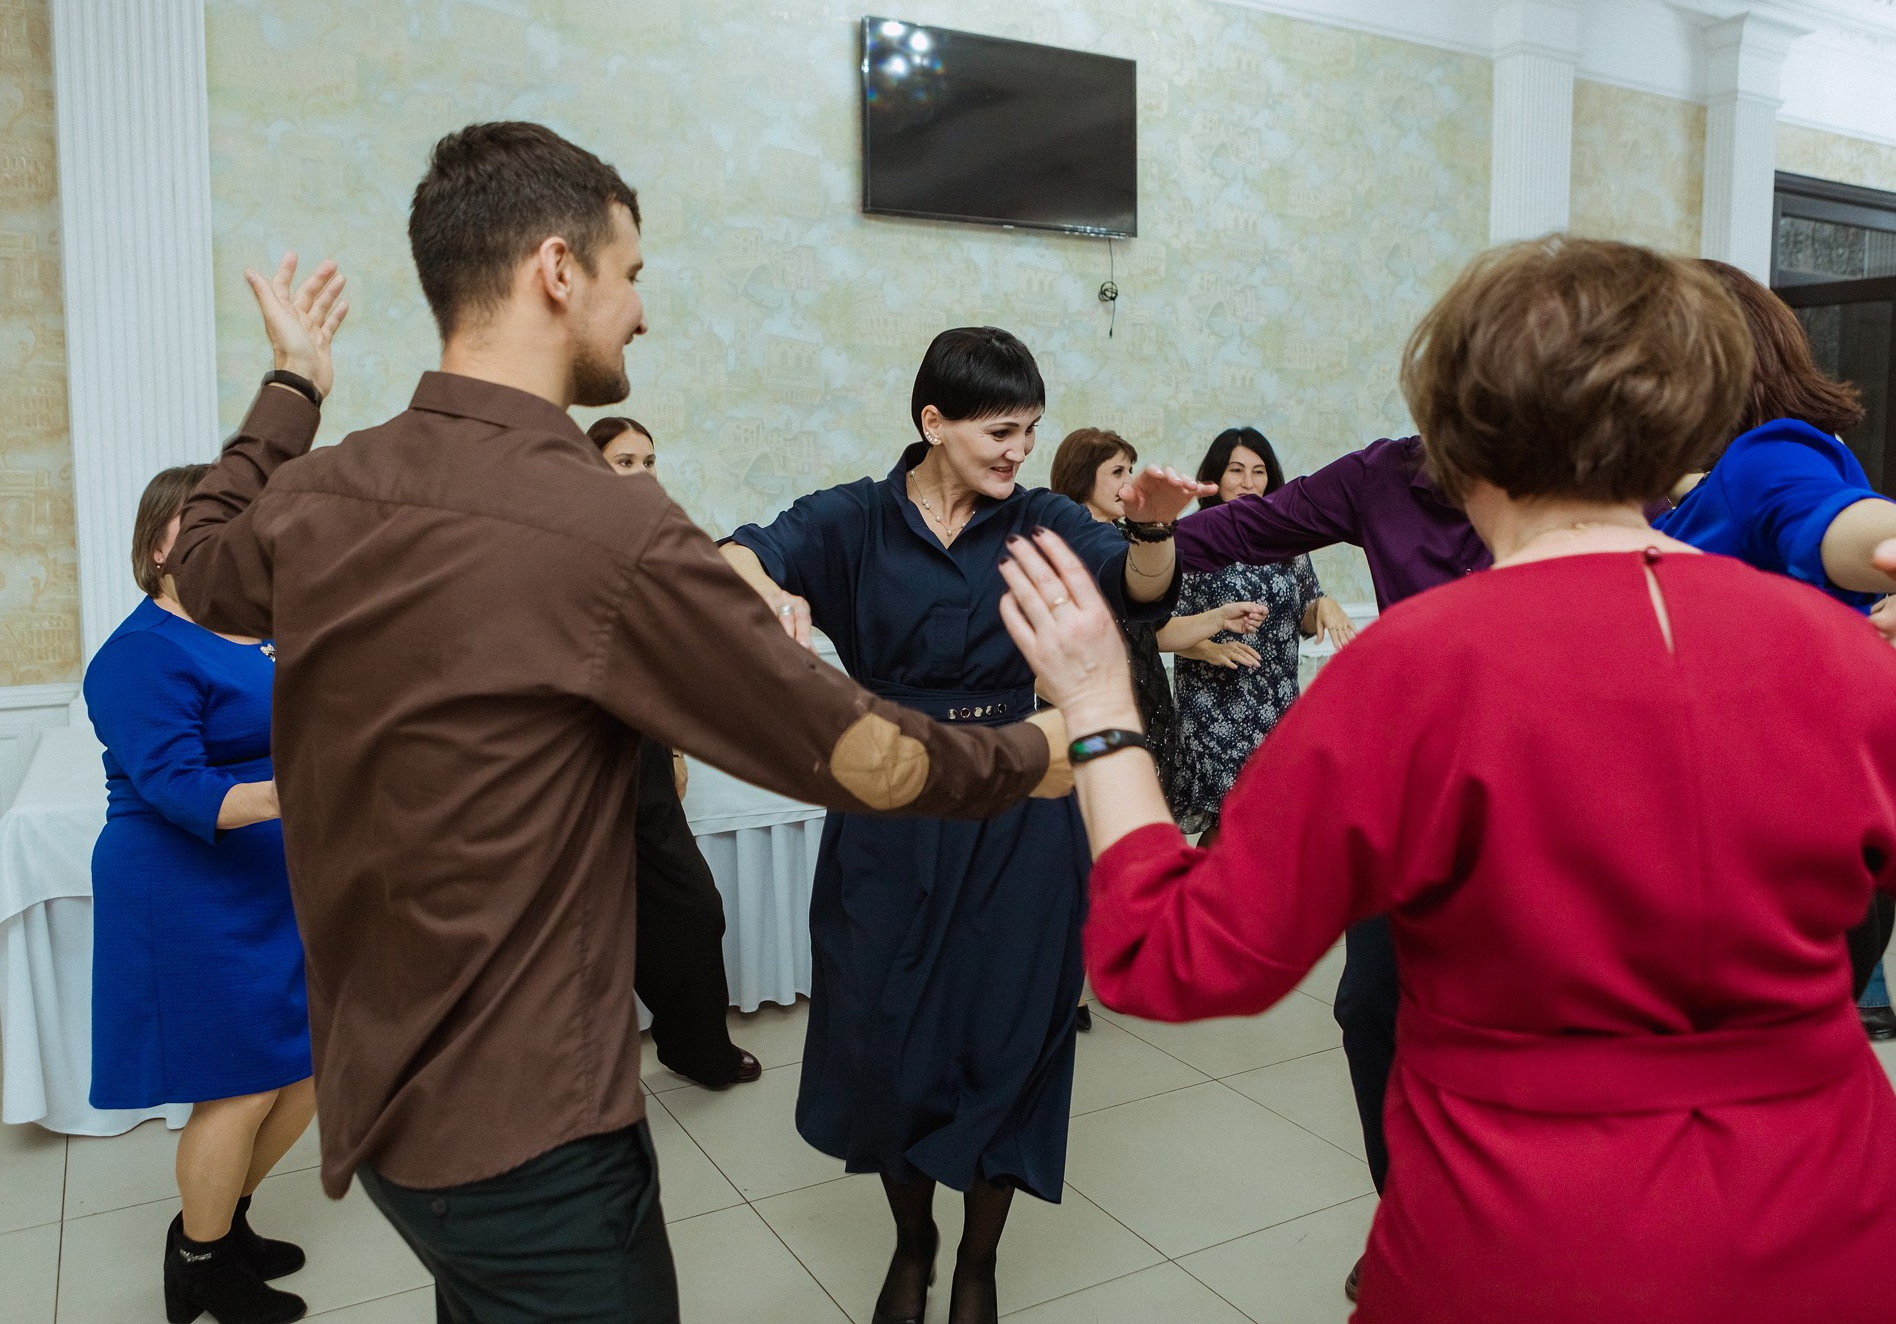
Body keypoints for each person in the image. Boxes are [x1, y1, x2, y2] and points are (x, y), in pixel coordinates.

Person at [997, 236, 1896, 1324]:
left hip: (1522, 1236)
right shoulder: (1842, 661)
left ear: (1456, 433)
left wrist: (1097, 715)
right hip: (1832, 1225)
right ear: (1685, 435)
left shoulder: (1406, 672)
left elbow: (1171, 960)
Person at [166, 122, 1083, 1324]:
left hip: (378, 1099)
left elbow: (200, 559)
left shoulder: (329, 490)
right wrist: (1044, 754)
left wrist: (293, 388)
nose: (640, 311)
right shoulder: (611, 529)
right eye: (631, 274)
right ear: (559, 271)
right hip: (532, 1128)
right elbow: (868, 754)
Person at [720, 331, 1204, 1324]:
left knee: (1013, 1034)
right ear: (931, 423)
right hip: (891, 800)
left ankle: (979, 1258)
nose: (1018, 448)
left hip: (1022, 797)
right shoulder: (852, 518)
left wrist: (1153, 535)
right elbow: (737, 551)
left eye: (1030, 429)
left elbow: (1136, 589)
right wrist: (757, 587)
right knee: (885, 1033)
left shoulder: (1043, 517)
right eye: (998, 429)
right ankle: (913, 1241)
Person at [1167, 426, 1491, 1299]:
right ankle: (1407, 1209)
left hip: (1531, 793)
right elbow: (1241, 528)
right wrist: (1135, 541)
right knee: (1371, 1005)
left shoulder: (1584, 472)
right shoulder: (1385, 475)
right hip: (1410, 795)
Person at [1654, 260, 1896, 1042]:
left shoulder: (1772, 455)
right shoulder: (1711, 484)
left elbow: (1834, 520)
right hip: (1737, 843)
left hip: (1776, 856)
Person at [85, 464, 314, 1324]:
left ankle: (226, 1223)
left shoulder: (252, 631)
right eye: (206, 525)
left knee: (306, 1065)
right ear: (158, 547)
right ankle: (199, 1262)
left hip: (268, 873)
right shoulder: (137, 654)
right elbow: (186, 792)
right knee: (243, 1082)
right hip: (182, 881)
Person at [587, 415, 760, 1091]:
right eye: (625, 460)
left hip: (644, 751)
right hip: (573, 762)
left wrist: (677, 746)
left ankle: (693, 1044)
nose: (643, 472)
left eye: (649, 459)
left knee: (692, 908)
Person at [1046, 427, 1266, 798]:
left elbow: (1155, 633)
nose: (1130, 483)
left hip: (1149, 713)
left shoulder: (1131, 543)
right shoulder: (1055, 550)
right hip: (1088, 723)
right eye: (1118, 472)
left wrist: (1219, 618)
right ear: (1082, 477)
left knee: (1144, 836)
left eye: (1130, 470)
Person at [1170, 428, 1346, 839]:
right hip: (1214, 706)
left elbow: (1305, 610)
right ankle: (1199, 902)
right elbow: (1160, 628)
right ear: (1214, 478)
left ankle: (1233, 903)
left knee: (1272, 823)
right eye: (1236, 470)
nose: (1248, 482)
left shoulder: (1286, 541)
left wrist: (1325, 607)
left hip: (1277, 702)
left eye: (1259, 471)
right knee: (1231, 826)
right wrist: (1210, 649)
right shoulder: (1191, 537)